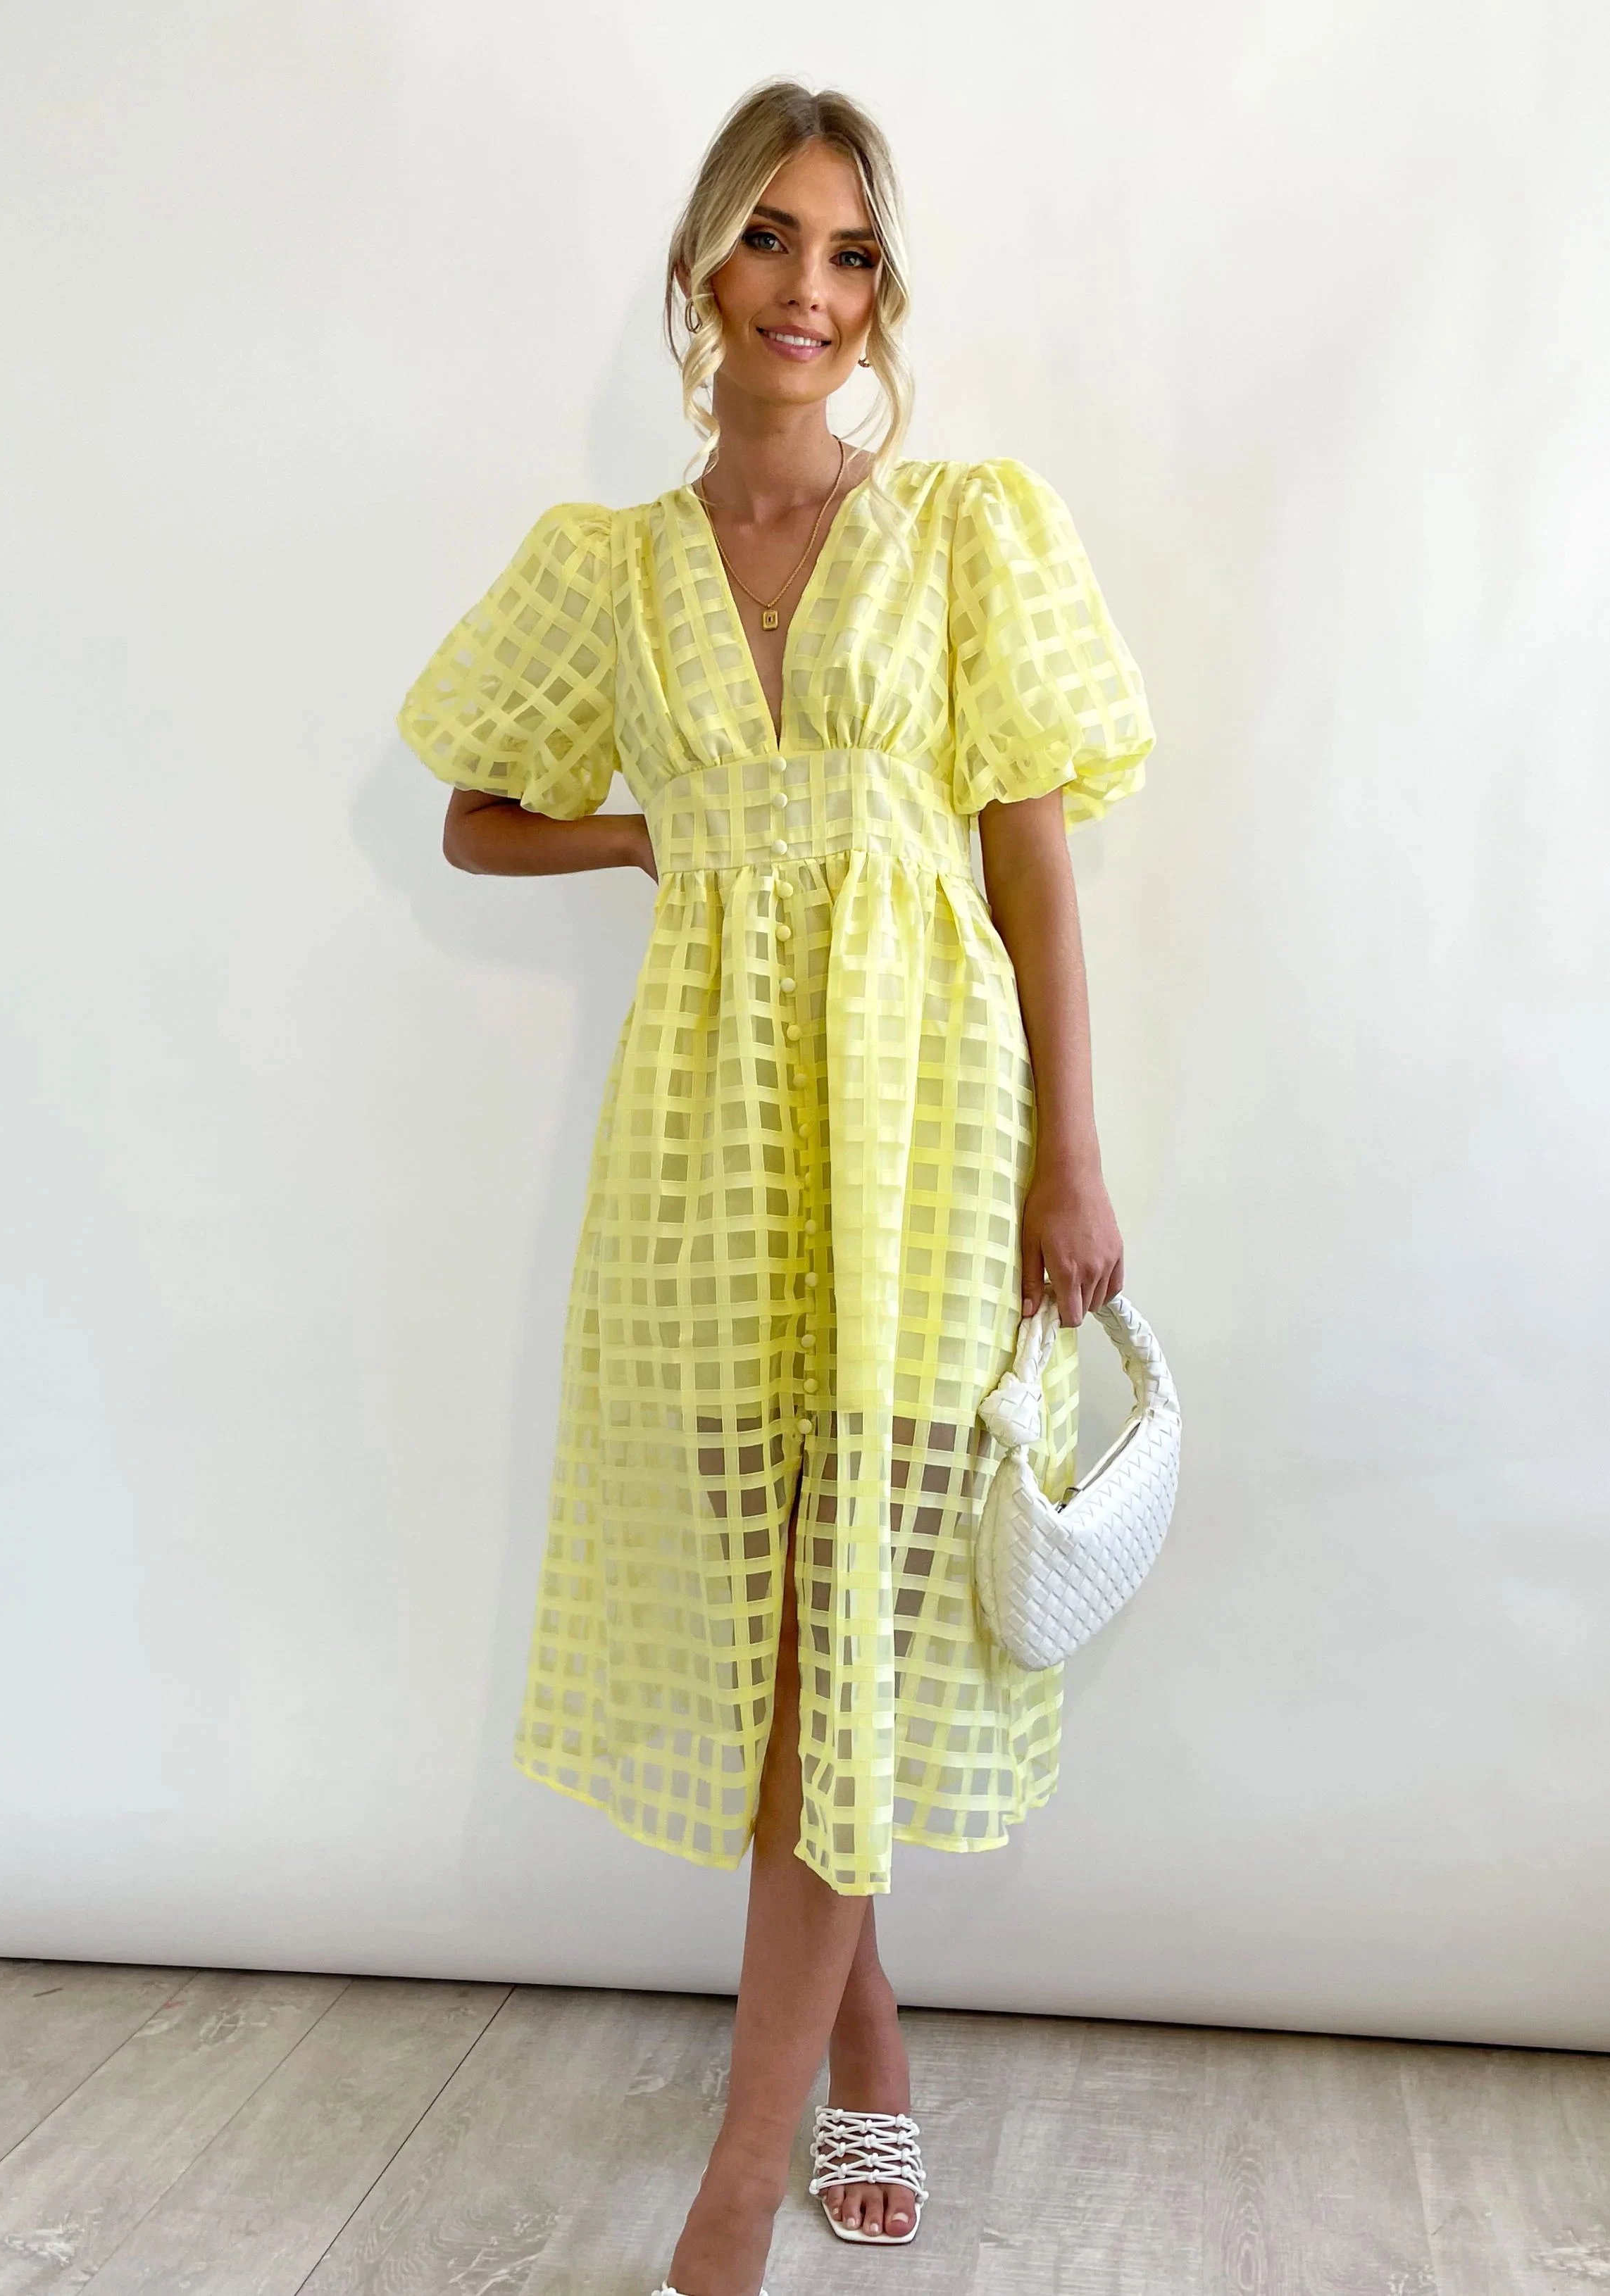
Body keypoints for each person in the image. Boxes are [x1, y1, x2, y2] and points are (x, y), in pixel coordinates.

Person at [396, 76, 1154, 2296]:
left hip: (931, 1122)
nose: (805, 288)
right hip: (707, 1135)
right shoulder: (609, 565)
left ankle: (734, 2195)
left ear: (878, 299)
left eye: (847, 254)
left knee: (851, 1639)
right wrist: (661, 833)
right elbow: (470, 815)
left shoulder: (963, 536)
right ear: (697, 270)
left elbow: (1031, 862)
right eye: (766, 238)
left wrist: (1071, 1157)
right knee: (769, 1646)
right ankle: (870, 2051)